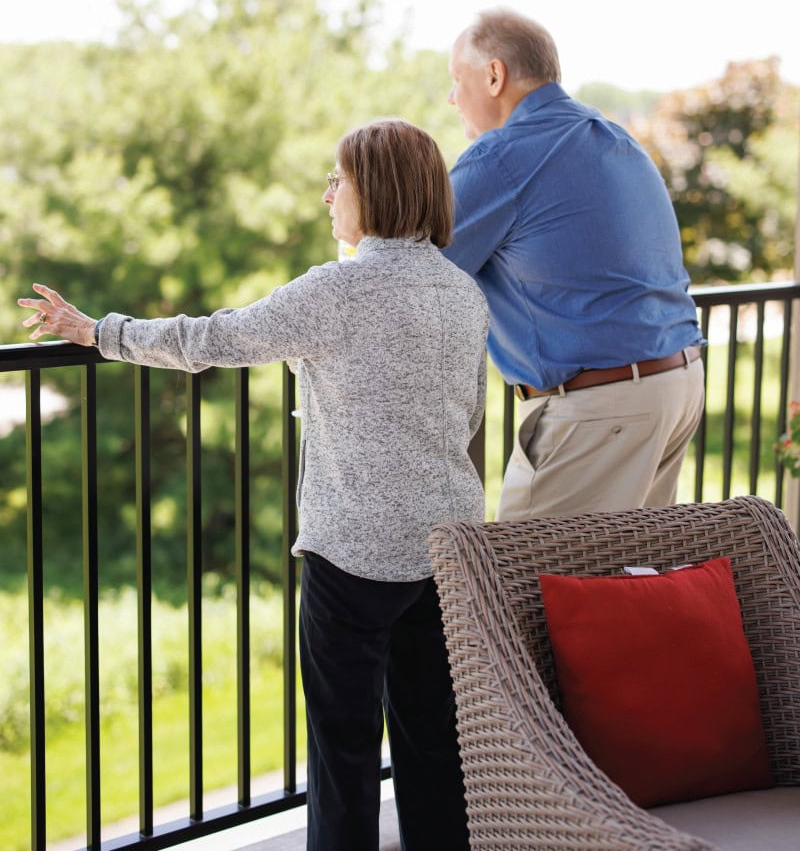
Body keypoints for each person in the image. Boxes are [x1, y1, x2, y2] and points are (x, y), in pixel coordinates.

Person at [19, 117, 488, 851]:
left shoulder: (338, 290)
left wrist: (97, 332)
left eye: (339, 181)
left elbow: (207, 340)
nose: (328, 196)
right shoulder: (462, 294)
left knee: (344, 751)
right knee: (434, 746)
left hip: (354, 555)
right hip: (448, 548)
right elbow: (466, 418)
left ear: (377, 192)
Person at [443, 7, 706, 520]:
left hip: (603, 407)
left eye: (457, 79)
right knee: (624, 579)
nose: (452, 97)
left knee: (523, 582)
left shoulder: (503, 156)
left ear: (494, 75)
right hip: (678, 384)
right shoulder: (615, 137)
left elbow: (412, 268)